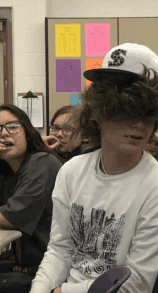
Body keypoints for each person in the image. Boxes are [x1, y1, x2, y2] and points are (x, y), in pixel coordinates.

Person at [30, 43, 158, 293]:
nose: (139, 125)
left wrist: (60, 292)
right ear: (100, 113)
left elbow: (135, 284)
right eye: (125, 112)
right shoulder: (72, 172)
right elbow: (60, 249)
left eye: (149, 115)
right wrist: (40, 289)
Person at [0, 105, 63, 290]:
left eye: (11, 126)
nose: (4, 134)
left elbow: (11, 217)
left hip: (51, 267)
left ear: (27, 132)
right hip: (26, 262)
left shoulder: (42, 162)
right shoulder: (8, 170)